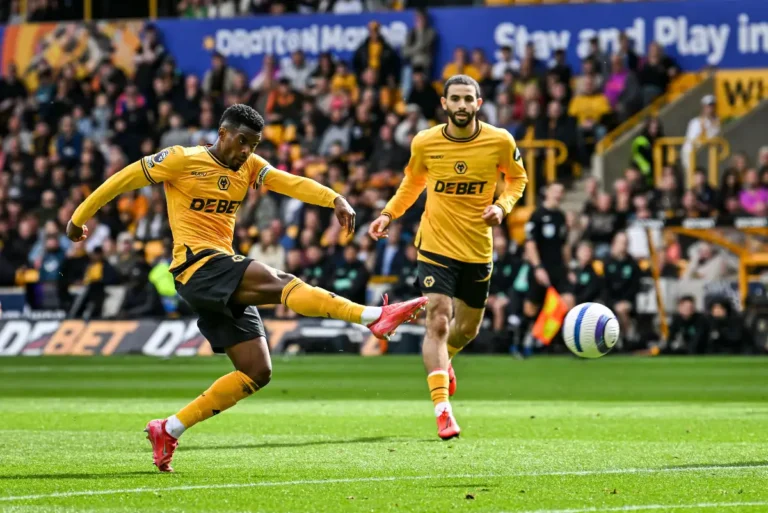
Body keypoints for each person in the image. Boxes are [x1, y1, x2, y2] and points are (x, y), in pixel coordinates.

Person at [66, 104, 428, 472]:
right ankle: (373, 317)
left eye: (253, 145)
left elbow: (288, 181)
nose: (246, 152)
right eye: (242, 142)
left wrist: (333, 198)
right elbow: (123, 179)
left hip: (219, 270)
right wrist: (78, 218)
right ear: (222, 133)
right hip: (197, 267)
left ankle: (169, 429)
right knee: (282, 283)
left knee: (257, 371)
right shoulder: (180, 160)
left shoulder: (250, 167)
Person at [368, 75, 528, 440]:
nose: (461, 105)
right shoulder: (425, 142)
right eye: (454, 99)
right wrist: (388, 214)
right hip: (435, 246)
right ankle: (443, 412)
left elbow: (518, 179)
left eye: (467, 99)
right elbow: (412, 183)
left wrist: (502, 208)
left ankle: (446, 359)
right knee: (438, 321)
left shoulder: (500, 140)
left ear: (479, 102)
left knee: (466, 330)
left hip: (477, 248)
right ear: (443, 104)